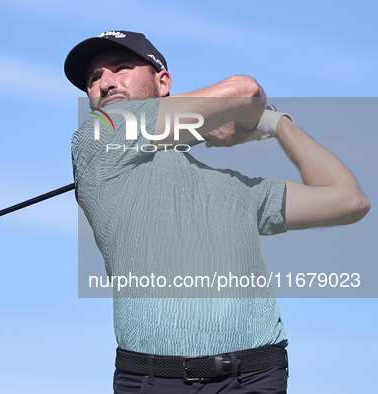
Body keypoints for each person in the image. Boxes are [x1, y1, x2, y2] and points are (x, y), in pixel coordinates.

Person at [64, 31, 370, 394]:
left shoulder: (234, 187)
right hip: (151, 379)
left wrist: (275, 125)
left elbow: (349, 200)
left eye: (121, 68)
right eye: (94, 78)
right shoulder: (95, 140)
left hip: (253, 373)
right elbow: (245, 90)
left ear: (163, 82)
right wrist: (230, 120)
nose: (105, 83)